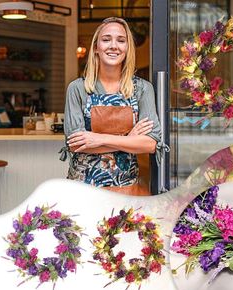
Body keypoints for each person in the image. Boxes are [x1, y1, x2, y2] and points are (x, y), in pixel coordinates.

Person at [62, 17, 166, 196]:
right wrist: (129, 139)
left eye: (121, 40)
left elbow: (150, 144)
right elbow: (75, 144)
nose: (113, 46)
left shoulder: (142, 89)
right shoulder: (78, 88)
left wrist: (99, 139)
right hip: (82, 188)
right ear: (96, 47)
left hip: (126, 188)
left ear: (127, 48)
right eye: (106, 39)